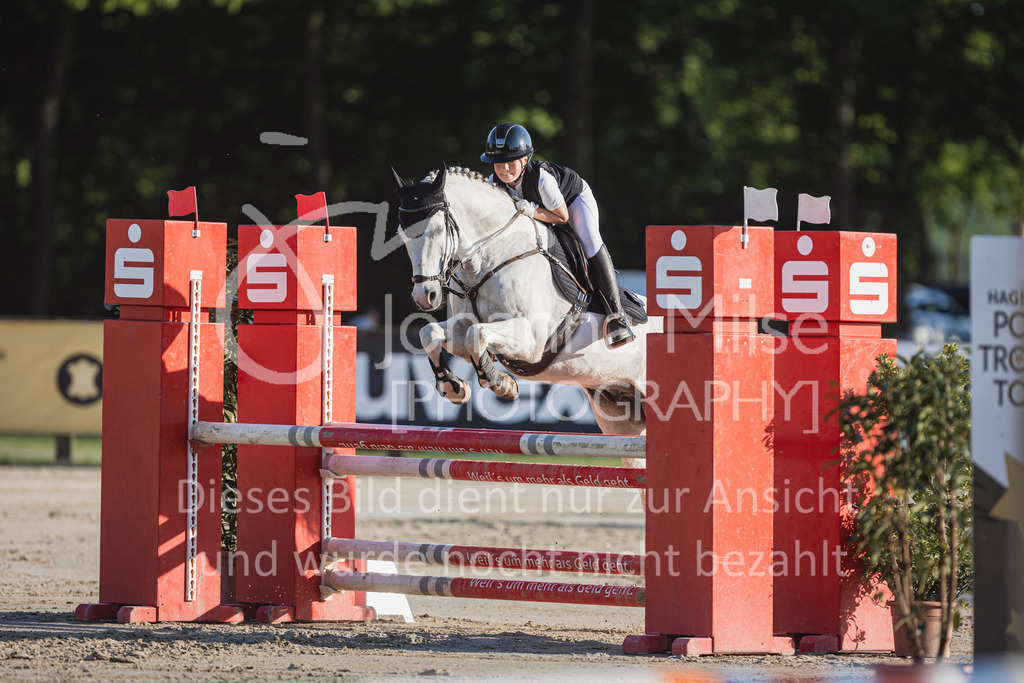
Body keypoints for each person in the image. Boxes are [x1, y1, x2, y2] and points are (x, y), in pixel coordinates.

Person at [480, 122, 635, 348]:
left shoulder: (542, 178)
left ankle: (616, 316)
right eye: (497, 164)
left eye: (509, 163)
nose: (503, 169)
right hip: (544, 210)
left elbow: (561, 217)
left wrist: (533, 211)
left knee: (589, 241)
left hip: (572, 201)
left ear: (525, 160)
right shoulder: (493, 184)